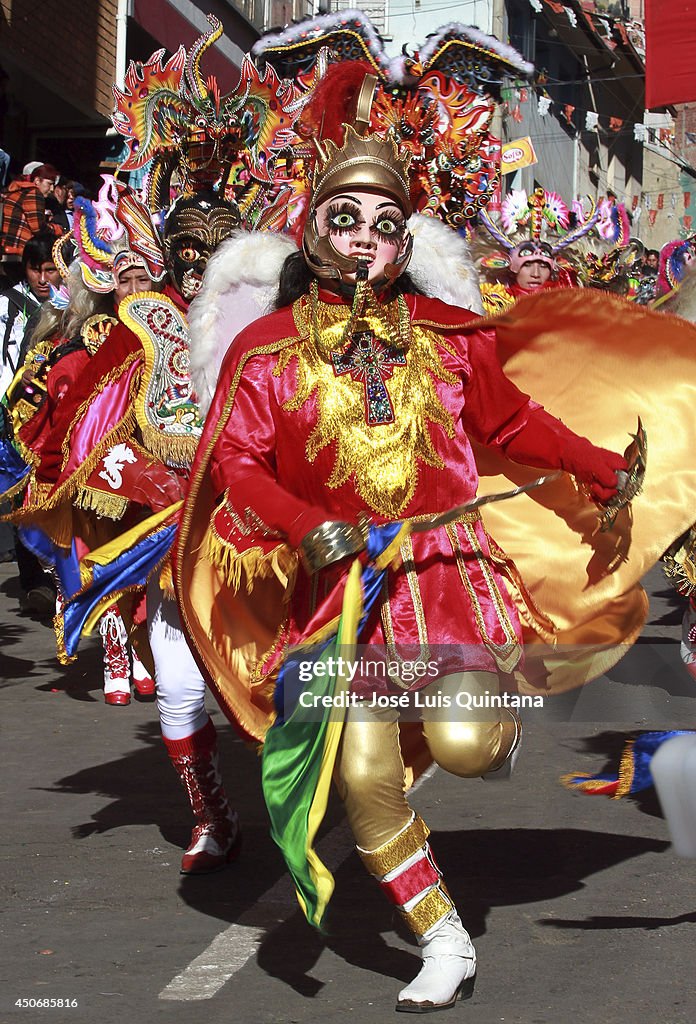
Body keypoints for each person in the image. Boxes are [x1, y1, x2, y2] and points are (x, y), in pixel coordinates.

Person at [175, 69, 658, 1013]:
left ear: (405, 242)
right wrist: (309, 525)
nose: (365, 237)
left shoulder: (447, 337)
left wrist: (601, 467)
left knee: (471, 745)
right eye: (347, 216)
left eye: (385, 223)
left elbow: (513, 426)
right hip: (345, 597)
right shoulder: (266, 350)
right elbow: (235, 461)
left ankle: (484, 729)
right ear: (313, 226)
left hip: (447, 582)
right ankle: (442, 939)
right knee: (362, 777)